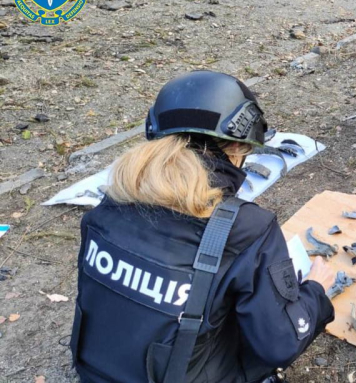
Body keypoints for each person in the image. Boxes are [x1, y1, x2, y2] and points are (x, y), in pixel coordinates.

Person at [69, 71, 335, 383]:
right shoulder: (246, 229)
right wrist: (315, 292)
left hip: (97, 372)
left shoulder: (111, 203)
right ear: (236, 149)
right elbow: (278, 345)